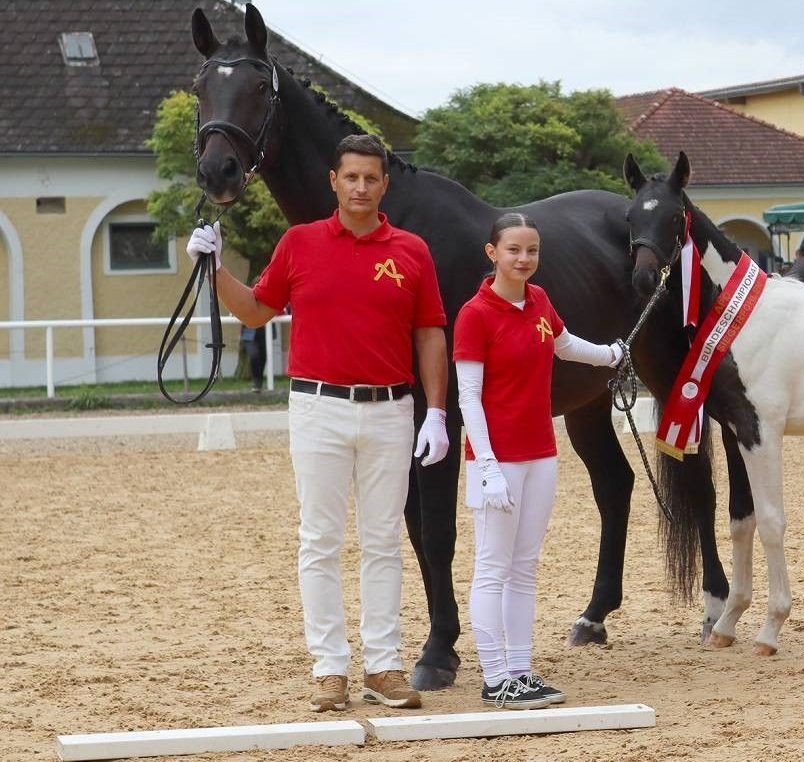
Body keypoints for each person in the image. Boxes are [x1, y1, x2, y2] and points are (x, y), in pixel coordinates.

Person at [186, 134, 450, 712]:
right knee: (320, 540)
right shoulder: (299, 243)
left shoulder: (411, 251)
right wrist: (214, 268)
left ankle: (382, 665)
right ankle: (329, 667)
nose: (360, 187)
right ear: (334, 181)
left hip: (391, 409)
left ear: (385, 184)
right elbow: (257, 308)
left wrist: (437, 410)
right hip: (317, 407)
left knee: (383, 541)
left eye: (371, 178)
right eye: (350, 177)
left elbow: (430, 331)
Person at [454, 213, 623, 710]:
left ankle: (521, 670)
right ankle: (494, 676)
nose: (523, 259)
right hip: (497, 459)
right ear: (493, 253)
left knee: (524, 567)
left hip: (540, 453)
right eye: (513, 250)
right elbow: (468, 396)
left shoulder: (541, 301)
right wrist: (485, 464)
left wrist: (610, 355)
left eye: (531, 250)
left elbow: (565, 344)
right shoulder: (475, 314)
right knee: (491, 567)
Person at [239, 323, 266, 392]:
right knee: (254, 355)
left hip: (263, 330)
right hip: (248, 332)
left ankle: (258, 382)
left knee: (263, 357)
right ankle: (256, 382)